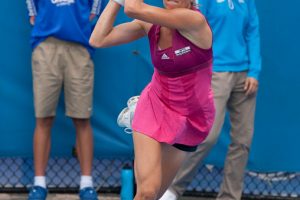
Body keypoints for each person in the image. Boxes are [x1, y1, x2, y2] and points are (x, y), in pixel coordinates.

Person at [89, 0, 215, 198]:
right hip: (155, 105)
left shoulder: (194, 20)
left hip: (191, 118)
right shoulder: (149, 23)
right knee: (147, 192)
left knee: (156, 195)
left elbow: (133, 8)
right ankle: (139, 115)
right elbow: (99, 39)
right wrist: (114, 1)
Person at [160, 0, 262, 199]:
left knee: (243, 140)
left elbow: (253, 30)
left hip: (245, 76)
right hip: (215, 72)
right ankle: (171, 189)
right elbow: (193, 27)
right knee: (207, 137)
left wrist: (254, 71)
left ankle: (230, 196)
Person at [25, 0, 101, 199]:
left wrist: (81, 23)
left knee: (82, 118)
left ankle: (87, 184)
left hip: (80, 46)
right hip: (46, 45)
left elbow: (94, 11)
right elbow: (32, 10)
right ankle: (39, 184)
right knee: (43, 117)